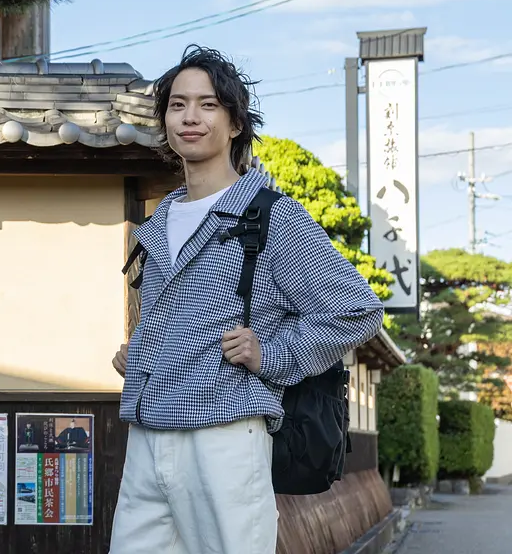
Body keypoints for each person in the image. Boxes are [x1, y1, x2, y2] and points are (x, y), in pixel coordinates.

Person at [109, 46, 384, 554]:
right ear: (165, 120)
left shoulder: (272, 217)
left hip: (226, 434)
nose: (190, 117)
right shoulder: (155, 226)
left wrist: (271, 354)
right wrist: (140, 353)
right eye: (177, 105)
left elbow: (356, 309)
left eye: (208, 105)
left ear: (235, 123)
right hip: (146, 432)